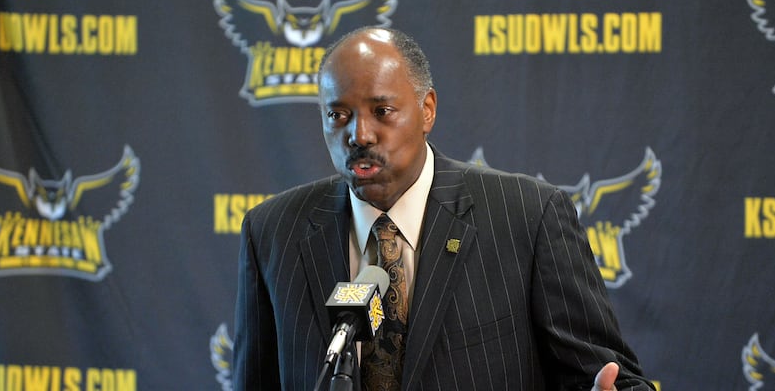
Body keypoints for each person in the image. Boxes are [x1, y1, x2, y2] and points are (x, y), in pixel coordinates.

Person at [232, 26, 655, 390]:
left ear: (427, 109)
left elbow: (608, 375)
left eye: (382, 111)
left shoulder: (528, 218)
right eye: (338, 115)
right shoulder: (272, 232)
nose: (359, 134)